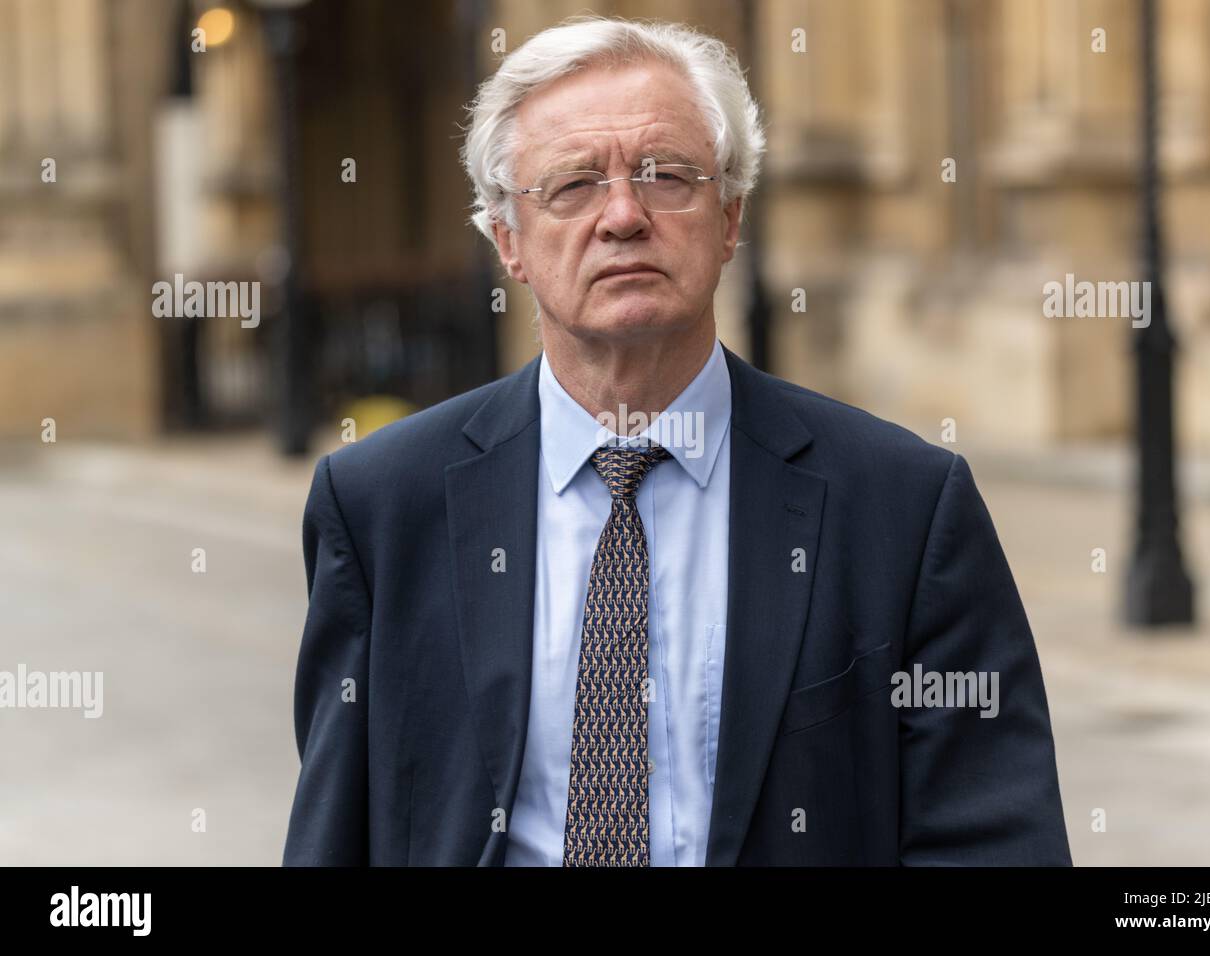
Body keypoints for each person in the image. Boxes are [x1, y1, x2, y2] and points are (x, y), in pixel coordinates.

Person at [283, 14, 1071, 866]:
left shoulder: (904, 507)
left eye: (666, 176)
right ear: (507, 239)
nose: (623, 215)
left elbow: (995, 844)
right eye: (574, 184)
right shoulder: (378, 508)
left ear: (731, 217)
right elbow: (336, 836)